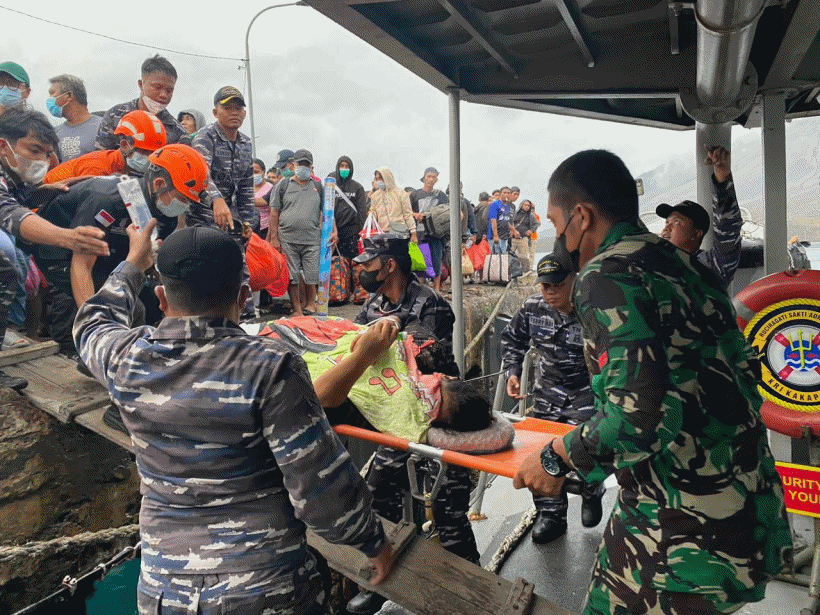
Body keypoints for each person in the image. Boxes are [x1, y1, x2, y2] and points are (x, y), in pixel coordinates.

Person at [513, 149, 792, 615]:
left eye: (557, 222)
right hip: (743, 503)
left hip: (682, 527)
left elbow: (636, 413)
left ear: (581, 217)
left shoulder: (606, 275)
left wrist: (556, 459)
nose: (557, 236)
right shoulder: (687, 267)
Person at [73, 223, 393, 615]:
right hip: (266, 590)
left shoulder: (126, 358)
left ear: (161, 297)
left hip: (165, 591)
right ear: (243, 296)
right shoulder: (271, 367)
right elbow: (321, 489)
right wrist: (374, 543)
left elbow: (91, 322)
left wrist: (133, 263)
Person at [347, 233, 479, 615]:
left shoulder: (430, 304)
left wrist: (380, 338)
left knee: (449, 509)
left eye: (369, 265)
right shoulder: (372, 304)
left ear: (389, 264)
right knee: (378, 496)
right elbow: (355, 342)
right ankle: (379, 580)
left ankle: (474, 591)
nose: (363, 273)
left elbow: (419, 352)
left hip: (441, 415)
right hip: (401, 416)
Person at [35, 143, 207, 353]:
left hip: (108, 250)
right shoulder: (107, 200)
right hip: (59, 251)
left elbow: (151, 267)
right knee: (131, 309)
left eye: (190, 201)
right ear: (160, 183)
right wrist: (94, 334)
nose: (185, 207)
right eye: (182, 199)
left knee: (150, 303)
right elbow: (81, 265)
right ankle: (81, 351)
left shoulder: (165, 212)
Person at [0, 108, 110, 379]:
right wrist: (69, 237)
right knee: (5, 259)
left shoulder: (12, 175)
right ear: (4, 146)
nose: (43, 160)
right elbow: (10, 214)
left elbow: (19, 199)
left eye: (48, 154)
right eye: (35, 150)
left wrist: (44, 192)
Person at [502, 254, 604, 544]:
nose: (549, 292)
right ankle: (551, 515)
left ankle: (591, 490)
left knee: (583, 454)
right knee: (541, 456)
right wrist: (512, 371)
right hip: (546, 396)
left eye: (557, 285)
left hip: (585, 398)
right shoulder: (533, 307)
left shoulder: (595, 312)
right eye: (544, 285)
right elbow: (513, 339)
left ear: (575, 279)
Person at [655, 145, 741, 288]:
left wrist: (722, 179)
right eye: (666, 222)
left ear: (697, 234)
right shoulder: (651, 261)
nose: (666, 228)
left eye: (676, 222)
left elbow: (728, 228)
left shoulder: (708, 267)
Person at [190, 86, 254, 232]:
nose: (234, 113)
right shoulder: (205, 137)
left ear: (244, 114)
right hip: (202, 218)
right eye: (227, 108)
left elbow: (246, 188)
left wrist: (247, 222)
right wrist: (216, 199)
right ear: (215, 112)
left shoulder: (246, 143)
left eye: (238, 109)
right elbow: (200, 172)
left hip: (231, 221)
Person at [44, 110, 167, 184]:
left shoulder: (123, 169)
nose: (149, 158)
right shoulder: (98, 168)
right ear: (124, 145)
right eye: (145, 151)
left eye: (153, 153)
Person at [269, 149, 324, 316]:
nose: (303, 168)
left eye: (307, 165)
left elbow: (327, 212)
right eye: (301, 164)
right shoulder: (283, 185)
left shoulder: (317, 186)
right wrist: (274, 238)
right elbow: (274, 212)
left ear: (311, 167)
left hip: (312, 238)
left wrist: (332, 231)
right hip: (288, 238)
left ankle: (311, 305)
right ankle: (297, 309)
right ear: (294, 165)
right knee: (292, 276)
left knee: (312, 273)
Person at [95, 55, 189, 151]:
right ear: (141, 85)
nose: (163, 95)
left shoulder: (178, 132)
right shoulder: (115, 115)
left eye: (169, 90)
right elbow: (101, 157)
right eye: (157, 87)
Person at [47, 74, 102, 161]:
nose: (49, 100)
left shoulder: (104, 127)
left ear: (69, 95)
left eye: (53, 93)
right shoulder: (54, 133)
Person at [410, 167, 448, 291]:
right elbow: (408, 212)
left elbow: (446, 211)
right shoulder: (415, 195)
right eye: (428, 176)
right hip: (420, 233)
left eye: (433, 177)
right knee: (421, 263)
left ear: (436, 179)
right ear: (424, 178)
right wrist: (415, 215)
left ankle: (436, 290)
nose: (430, 179)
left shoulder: (441, 196)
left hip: (436, 234)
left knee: (436, 262)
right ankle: (421, 289)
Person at [328, 155, 368, 260]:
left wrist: (360, 234)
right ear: (337, 167)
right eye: (342, 166)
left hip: (352, 235)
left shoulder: (358, 188)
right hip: (334, 234)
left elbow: (362, 212)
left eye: (347, 166)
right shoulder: (331, 187)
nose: (344, 169)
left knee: (352, 266)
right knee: (336, 267)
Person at [369, 167, 417, 241]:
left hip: (400, 233)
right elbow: (374, 214)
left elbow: (408, 215)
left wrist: (413, 233)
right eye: (377, 179)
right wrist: (371, 214)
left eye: (381, 178)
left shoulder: (400, 193)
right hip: (382, 234)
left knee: (407, 252)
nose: (379, 181)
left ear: (387, 177)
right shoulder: (375, 196)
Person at [510, 199, 540, 270]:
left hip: (523, 239)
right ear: (521, 205)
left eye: (528, 206)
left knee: (524, 258)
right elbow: (508, 223)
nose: (527, 207)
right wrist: (513, 231)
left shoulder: (530, 216)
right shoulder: (515, 214)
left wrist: (531, 230)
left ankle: (524, 275)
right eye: (525, 205)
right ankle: (510, 274)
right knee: (510, 256)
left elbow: (536, 224)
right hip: (512, 239)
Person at [487, 186, 513, 253]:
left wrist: (512, 230)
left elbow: (507, 220)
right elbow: (493, 220)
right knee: (495, 258)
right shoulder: (495, 204)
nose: (506, 194)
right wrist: (495, 236)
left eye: (508, 193)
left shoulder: (508, 206)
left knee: (503, 257)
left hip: (504, 236)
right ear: (500, 194)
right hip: (495, 237)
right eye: (504, 193)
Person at [253, 158, 273, 239]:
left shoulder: (271, 188)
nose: (253, 175)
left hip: (265, 229)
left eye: (256, 172)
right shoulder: (246, 188)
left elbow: (273, 213)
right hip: (251, 229)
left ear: (263, 172)